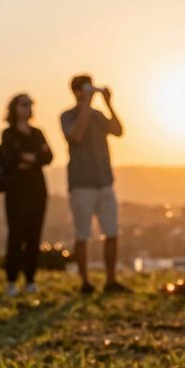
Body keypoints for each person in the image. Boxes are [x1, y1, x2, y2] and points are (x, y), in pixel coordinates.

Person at [60, 75, 127, 294]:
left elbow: (118, 131)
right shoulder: (68, 116)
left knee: (111, 231)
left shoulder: (99, 117)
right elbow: (76, 136)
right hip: (81, 183)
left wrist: (109, 103)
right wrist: (86, 106)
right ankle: (85, 282)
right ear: (78, 91)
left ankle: (111, 280)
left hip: (104, 181)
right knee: (83, 233)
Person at [0, 93, 54, 296]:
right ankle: (11, 280)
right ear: (14, 109)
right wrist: (33, 157)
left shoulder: (37, 133)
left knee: (33, 235)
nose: (28, 108)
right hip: (16, 191)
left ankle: (30, 279)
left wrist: (29, 158)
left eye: (30, 104)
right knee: (16, 234)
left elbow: (48, 156)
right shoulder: (8, 134)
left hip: (37, 190)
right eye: (24, 104)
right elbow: (11, 158)